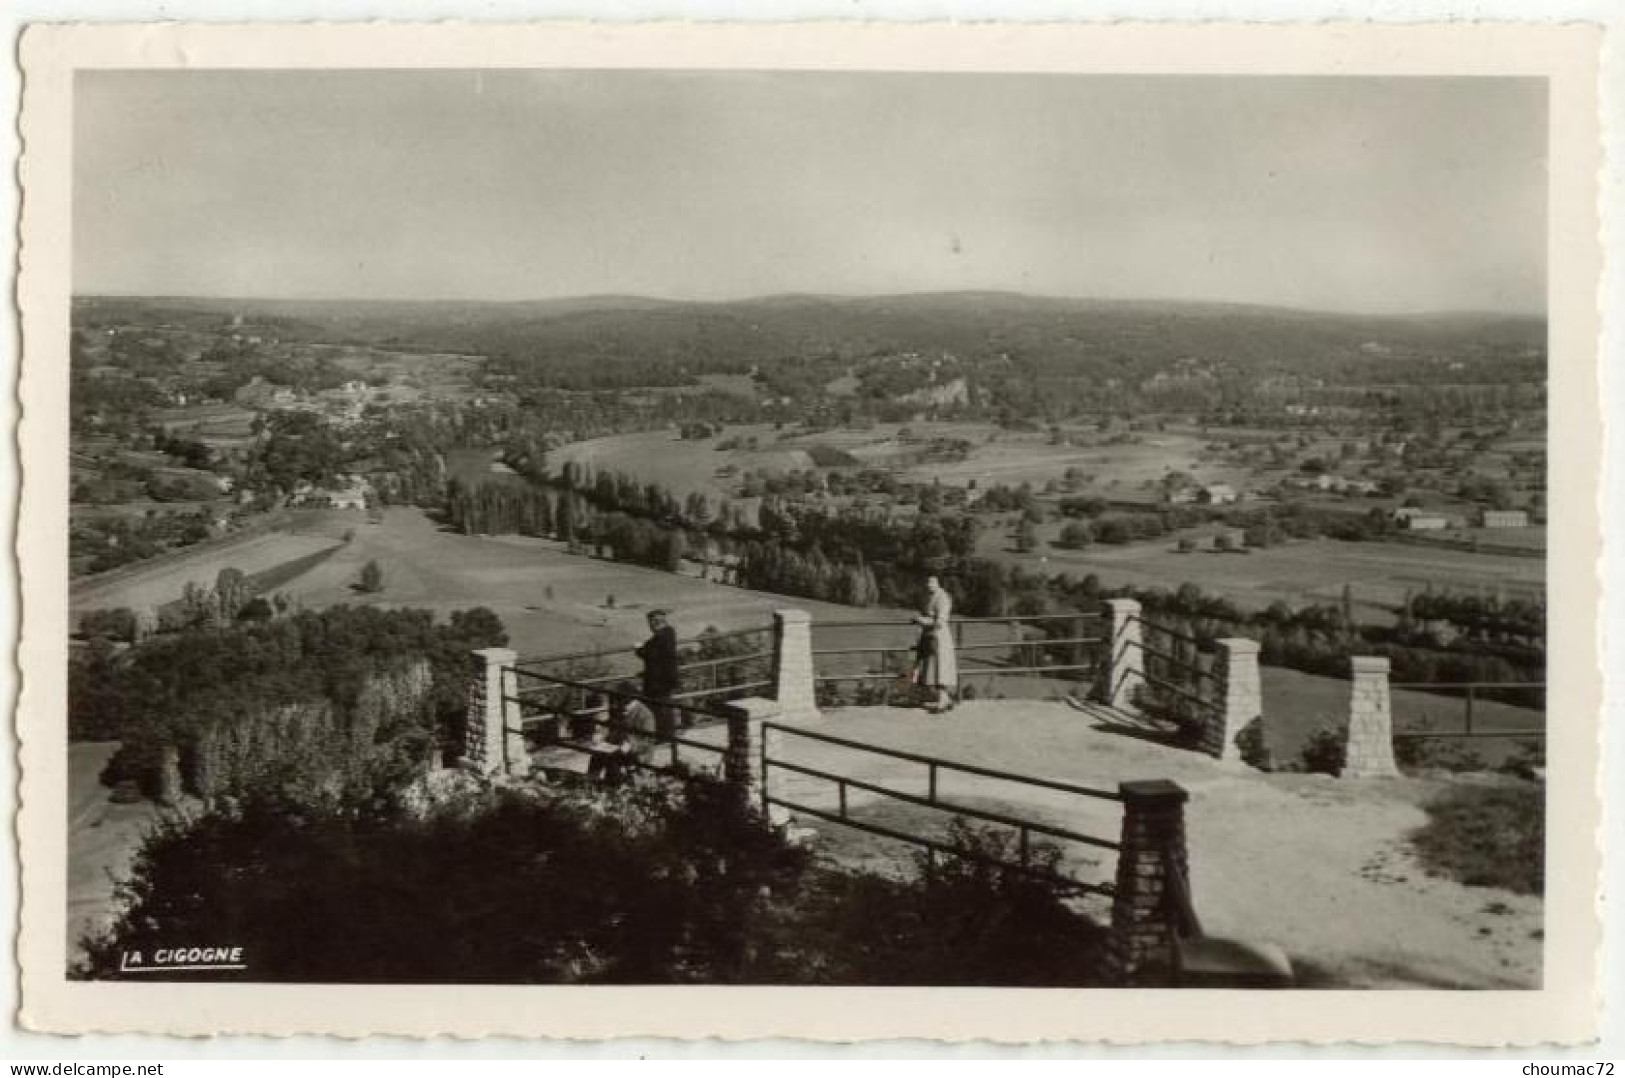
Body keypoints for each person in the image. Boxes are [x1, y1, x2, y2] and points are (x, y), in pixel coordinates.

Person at [914, 575, 957, 713]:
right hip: (929, 636)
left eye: (932, 582)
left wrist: (922, 621)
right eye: (927, 582)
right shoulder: (928, 596)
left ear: (938, 583)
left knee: (941, 669)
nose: (929, 585)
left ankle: (943, 701)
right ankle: (945, 700)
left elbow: (940, 621)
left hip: (940, 637)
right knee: (933, 669)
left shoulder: (943, 598)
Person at [636, 608, 682, 737]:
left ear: (656, 622)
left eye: (651, 623)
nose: (650, 626)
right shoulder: (668, 634)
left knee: (660, 709)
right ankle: (665, 735)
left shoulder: (663, 636)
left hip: (660, 681)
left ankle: (664, 736)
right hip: (664, 679)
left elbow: (651, 654)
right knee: (662, 708)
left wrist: (639, 649)